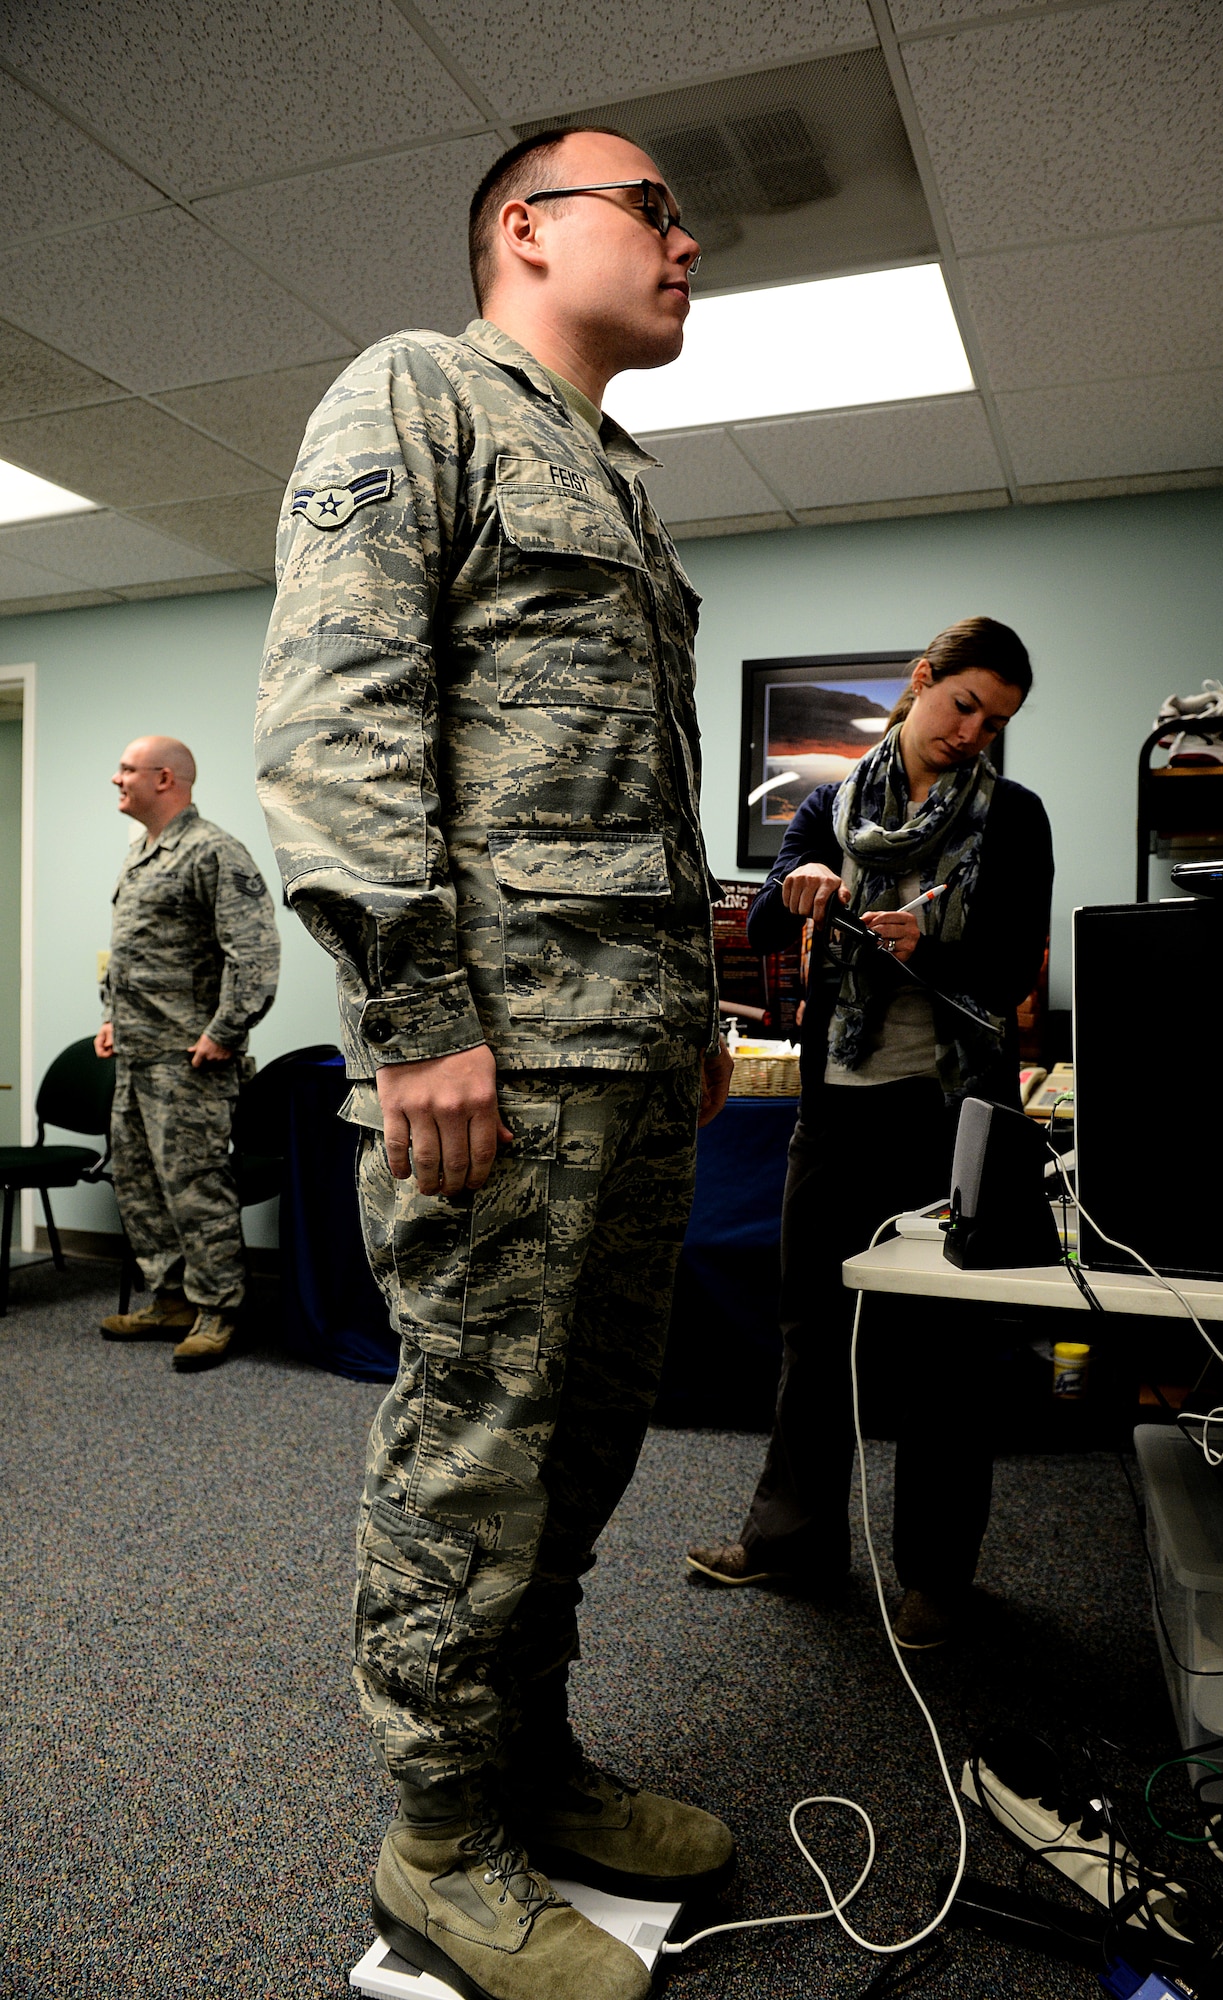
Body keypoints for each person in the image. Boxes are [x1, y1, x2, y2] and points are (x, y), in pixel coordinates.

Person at [255, 126, 733, 2000]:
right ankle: (439, 1841)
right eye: (656, 208)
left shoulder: (615, 476)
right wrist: (419, 1019)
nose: (690, 241)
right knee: (476, 1448)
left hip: (631, 1054)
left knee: (591, 1442)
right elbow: (337, 714)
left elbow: (641, 785)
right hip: (500, 1056)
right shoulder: (417, 393)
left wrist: (692, 1016)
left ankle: (531, 1757)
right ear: (527, 228)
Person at [687, 618, 1054, 1649]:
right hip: (836, 1110)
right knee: (810, 1329)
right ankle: (794, 1535)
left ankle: (938, 1574)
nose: (975, 731)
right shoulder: (830, 805)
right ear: (922, 681)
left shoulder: (1013, 819)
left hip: (948, 1120)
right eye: (965, 704)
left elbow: (1015, 963)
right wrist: (793, 886)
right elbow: (759, 923)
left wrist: (926, 937)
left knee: (946, 1351)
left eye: (997, 720)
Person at [96, 735, 279, 1371]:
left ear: (165, 778)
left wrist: (226, 1030)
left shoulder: (213, 851)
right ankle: (171, 1300)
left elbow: (252, 953)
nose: (116, 778)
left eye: (126, 769)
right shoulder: (142, 853)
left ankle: (218, 1309)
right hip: (137, 1056)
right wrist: (111, 1016)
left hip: (190, 1063)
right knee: (140, 1184)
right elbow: (135, 950)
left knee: (195, 1187)